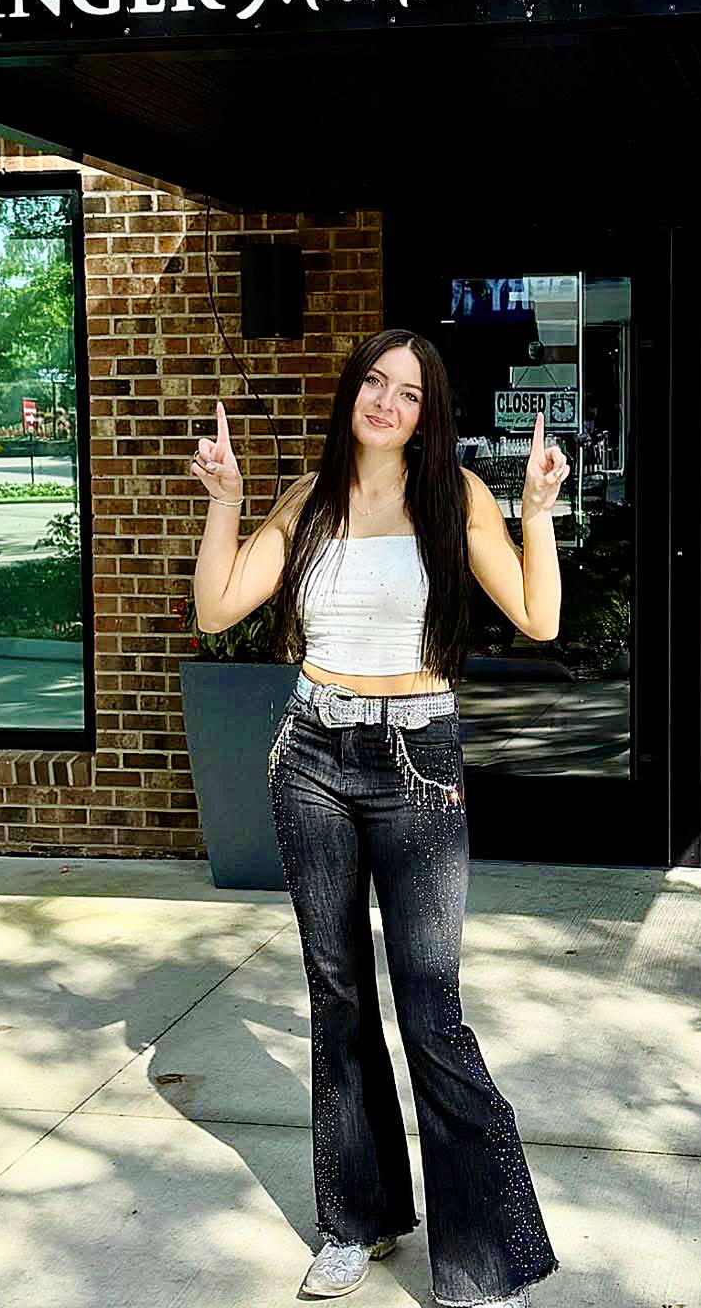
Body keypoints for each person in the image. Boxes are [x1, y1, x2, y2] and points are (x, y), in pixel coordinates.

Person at [190, 328, 569, 1308]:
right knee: (338, 1001)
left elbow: (538, 616)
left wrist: (536, 515)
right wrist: (226, 504)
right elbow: (218, 607)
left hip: (417, 759)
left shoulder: (456, 497)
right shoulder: (306, 501)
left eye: (409, 392)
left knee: (431, 1007)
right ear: (351, 393)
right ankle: (356, 1221)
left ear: (427, 412)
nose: (388, 402)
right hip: (311, 754)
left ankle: (485, 1259)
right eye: (375, 382)